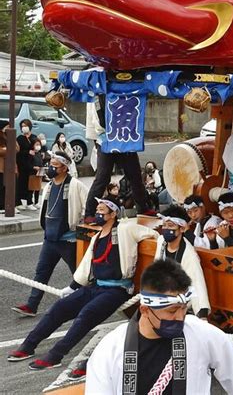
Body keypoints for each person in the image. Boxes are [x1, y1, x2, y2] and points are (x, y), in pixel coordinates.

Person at [8, 198, 158, 369]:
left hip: (118, 289)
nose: (98, 214)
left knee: (87, 314)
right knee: (59, 307)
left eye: (102, 210)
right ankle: (28, 345)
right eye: (97, 210)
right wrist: (72, 287)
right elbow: (87, 265)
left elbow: (153, 235)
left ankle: (56, 355)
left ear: (113, 214)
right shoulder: (97, 237)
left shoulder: (126, 229)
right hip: (95, 286)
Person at [85, 259, 233, 394]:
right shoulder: (111, 349)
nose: (180, 318)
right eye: (172, 311)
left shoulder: (202, 333)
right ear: (145, 310)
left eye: (184, 309)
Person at [11, 153, 88, 318]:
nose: (51, 168)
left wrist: (79, 224)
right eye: (50, 165)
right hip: (50, 238)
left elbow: (88, 208)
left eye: (55, 165)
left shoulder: (76, 185)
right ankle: (32, 305)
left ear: (65, 168)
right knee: (41, 273)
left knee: (79, 275)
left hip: (68, 240)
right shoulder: (49, 186)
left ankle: (89, 306)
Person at [83, 99, 154, 222]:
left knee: (135, 174)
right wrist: (96, 140)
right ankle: (89, 213)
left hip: (125, 136)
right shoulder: (96, 89)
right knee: (102, 177)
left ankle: (143, 208)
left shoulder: (125, 85)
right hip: (105, 138)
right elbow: (92, 117)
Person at [154, 205, 210, 319]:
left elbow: (197, 284)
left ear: (182, 229)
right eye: (164, 225)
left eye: (170, 226)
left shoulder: (189, 255)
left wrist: (202, 314)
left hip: (178, 303)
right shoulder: (161, 241)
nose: (165, 229)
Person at [16, 119, 37, 210]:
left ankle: (29, 202)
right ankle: (18, 201)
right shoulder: (20, 138)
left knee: (31, 183)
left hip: (32, 163)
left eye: (26, 125)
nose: (24, 127)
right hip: (22, 163)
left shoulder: (34, 137)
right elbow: (18, 151)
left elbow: (38, 146)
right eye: (22, 126)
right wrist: (28, 152)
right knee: (21, 182)